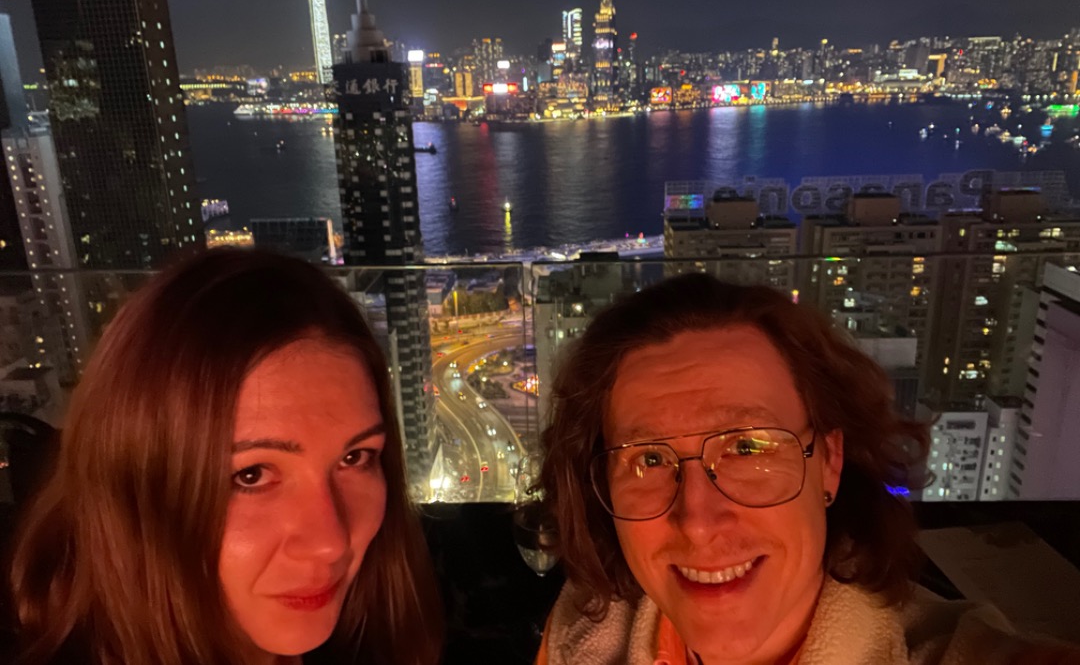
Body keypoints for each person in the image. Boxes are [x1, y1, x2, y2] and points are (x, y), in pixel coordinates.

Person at [536, 273, 1079, 665]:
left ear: (829, 463)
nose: (697, 522)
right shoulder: (585, 628)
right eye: (650, 459)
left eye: (748, 447)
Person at [5, 248, 443, 665]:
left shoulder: (376, 638)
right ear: (133, 487)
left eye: (355, 458)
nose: (330, 543)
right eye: (251, 475)